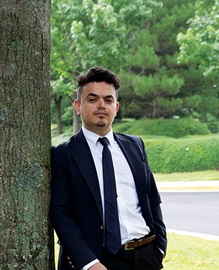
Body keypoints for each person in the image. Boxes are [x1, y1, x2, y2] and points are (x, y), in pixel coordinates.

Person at [51, 66, 167, 270]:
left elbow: (152, 199)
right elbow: (61, 214)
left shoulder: (135, 146)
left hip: (146, 257)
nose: (101, 105)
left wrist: (159, 248)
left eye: (108, 99)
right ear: (77, 106)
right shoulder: (63, 155)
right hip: (98, 261)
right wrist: (90, 264)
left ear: (117, 107)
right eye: (92, 99)